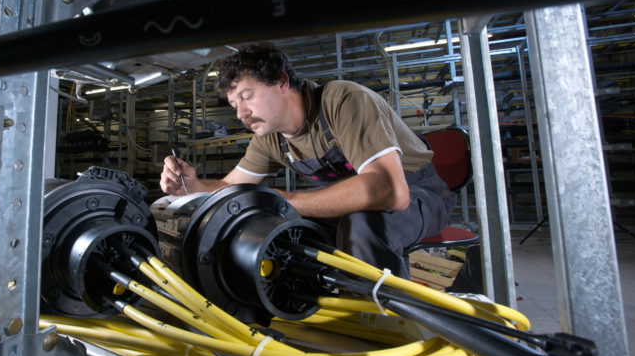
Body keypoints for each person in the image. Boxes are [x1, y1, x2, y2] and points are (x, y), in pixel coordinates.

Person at [160, 43, 456, 278]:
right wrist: (192, 184)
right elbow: (229, 186)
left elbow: (391, 191)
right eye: (235, 105)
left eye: (247, 96)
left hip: (421, 193)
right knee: (277, 227)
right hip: (351, 205)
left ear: (281, 81)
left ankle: (386, 322)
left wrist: (283, 199)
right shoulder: (269, 138)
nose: (241, 114)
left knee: (363, 223)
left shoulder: (342, 101)